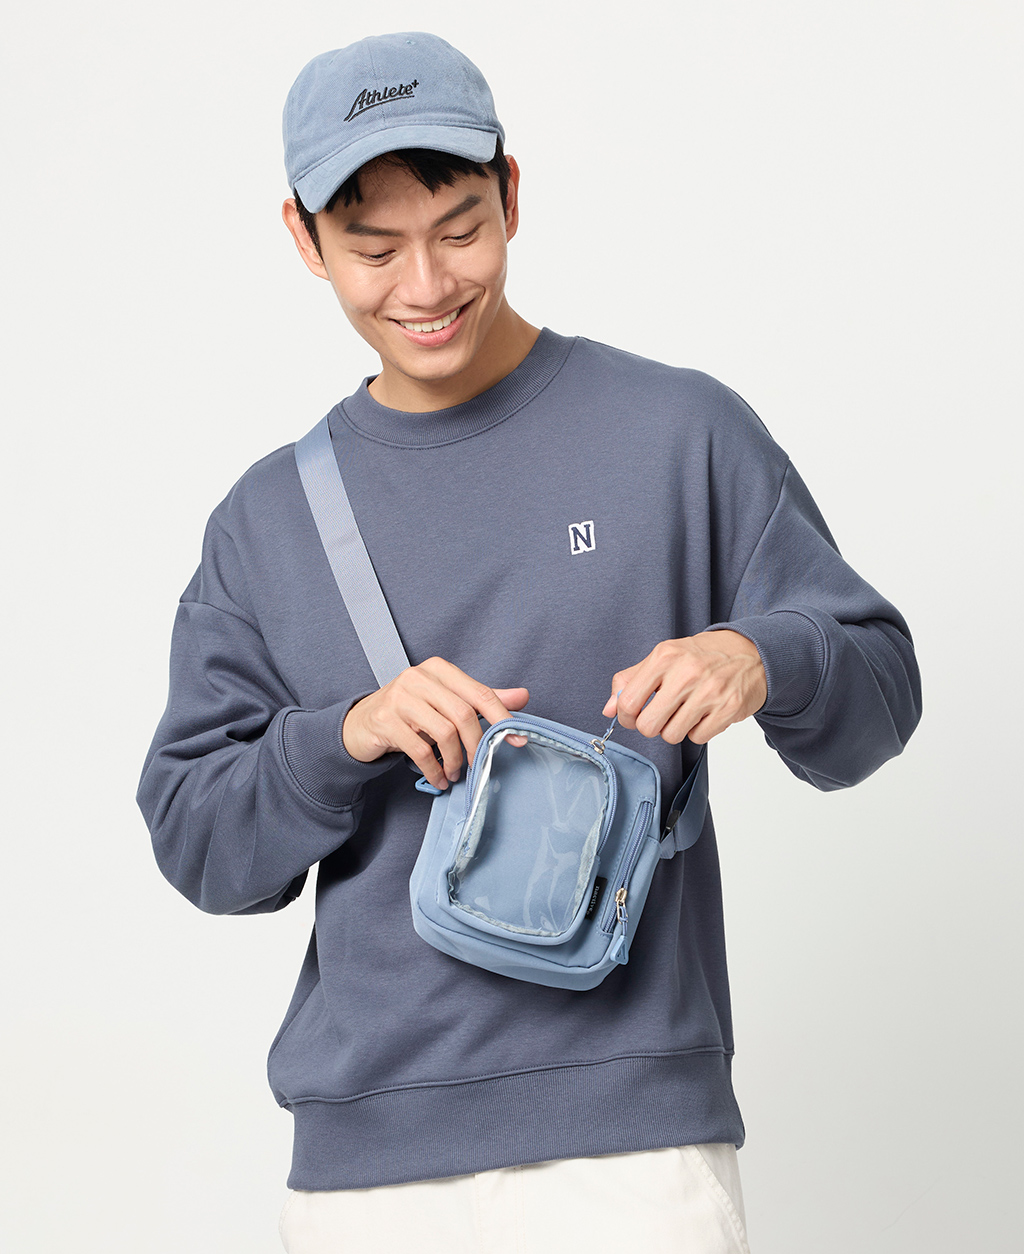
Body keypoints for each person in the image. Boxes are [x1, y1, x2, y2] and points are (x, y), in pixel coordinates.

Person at [136, 30, 922, 1254]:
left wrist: (763, 655)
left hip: (637, 1160)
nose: (424, 285)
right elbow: (197, 843)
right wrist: (345, 736)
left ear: (511, 193)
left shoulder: (678, 434)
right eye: (373, 248)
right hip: (368, 1180)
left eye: (459, 229)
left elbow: (879, 694)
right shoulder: (266, 521)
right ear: (303, 239)